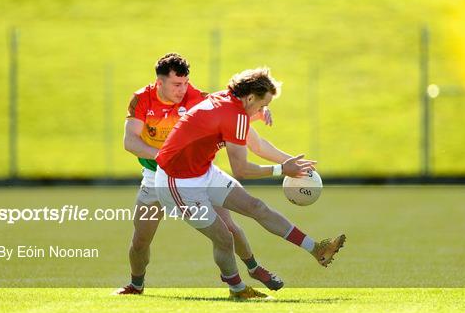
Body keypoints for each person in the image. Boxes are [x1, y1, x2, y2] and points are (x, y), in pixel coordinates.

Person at [155, 67, 346, 299]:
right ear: (250, 97)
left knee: (257, 208)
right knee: (224, 237)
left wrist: (294, 165)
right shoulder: (233, 115)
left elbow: (258, 146)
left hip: (203, 171)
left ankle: (317, 249)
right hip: (177, 182)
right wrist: (282, 169)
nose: (263, 111)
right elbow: (241, 170)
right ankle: (237, 289)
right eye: (262, 105)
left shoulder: (230, 101)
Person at [115, 53, 287, 295]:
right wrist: (170, 155)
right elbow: (130, 142)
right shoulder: (142, 99)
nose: (183, 89)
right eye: (176, 84)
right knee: (141, 239)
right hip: (155, 178)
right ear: (159, 82)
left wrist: (255, 114)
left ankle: (254, 267)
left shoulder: (196, 97)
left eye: (186, 83)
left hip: (194, 176)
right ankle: (136, 284)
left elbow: (231, 114)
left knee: (230, 229)